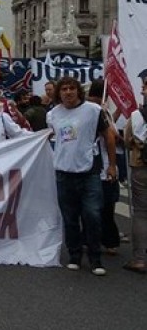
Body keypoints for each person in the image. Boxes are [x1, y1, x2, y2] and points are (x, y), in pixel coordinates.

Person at [47, 76, 116, 276]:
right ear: (59, 93)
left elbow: (109, 136)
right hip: (63, 173)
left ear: (78, 91)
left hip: (89, 173)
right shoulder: (53, 114)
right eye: (64, 89)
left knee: (92, 215)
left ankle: (95, 259)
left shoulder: (94, 111)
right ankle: (75, 255)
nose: (68, 92)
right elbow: (51, 136)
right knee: (69, 218)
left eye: (71, 88)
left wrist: (112, 165)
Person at [87, 79, 121, 255]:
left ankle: (96, 239)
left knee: (95, 208)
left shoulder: (102, 110)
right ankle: (108, 240)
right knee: (104, 208)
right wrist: (113, 166)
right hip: (101, 166)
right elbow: (111, 137)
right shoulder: (97, 110)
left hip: (98, 166)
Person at [123, 73, 147, 274]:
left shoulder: (136, 116)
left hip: (141, 166)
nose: (141, 89)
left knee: (141, 213)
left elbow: (126, 139)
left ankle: (140, 258)